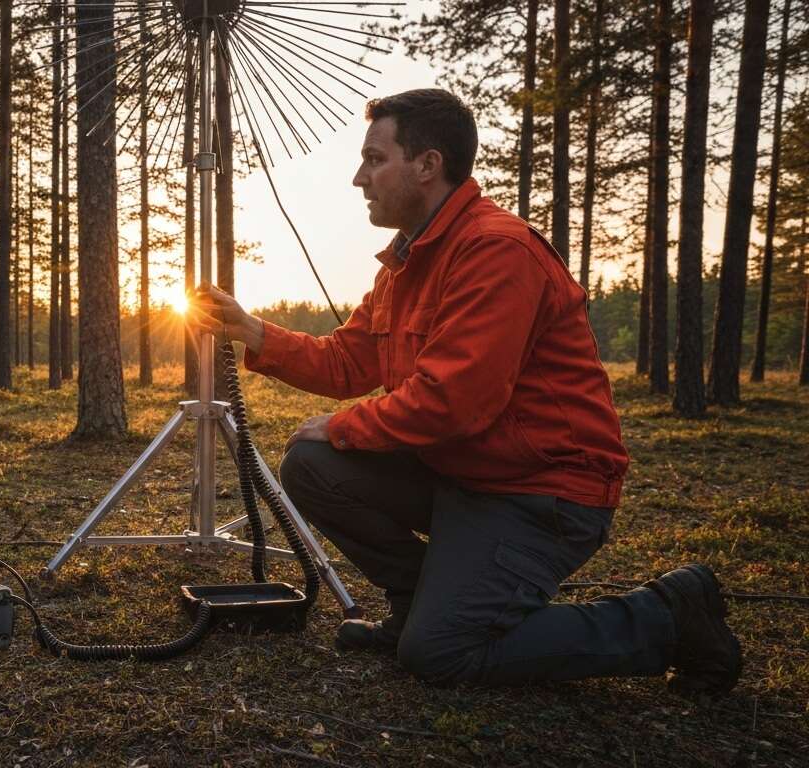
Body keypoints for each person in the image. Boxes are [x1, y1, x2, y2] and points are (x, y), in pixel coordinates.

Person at [187, 88, 741, 695]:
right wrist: (250, 329)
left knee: (443, 652)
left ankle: (667, 616)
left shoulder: (495, 250)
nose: (357, 178)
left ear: (427, 165)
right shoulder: (406, 262)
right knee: (313, 467)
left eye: (375, 159)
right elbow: (348, 360)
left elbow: (455, 401)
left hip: (541, 494)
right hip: (466, 477)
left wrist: (342, 425)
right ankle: (417, 605)